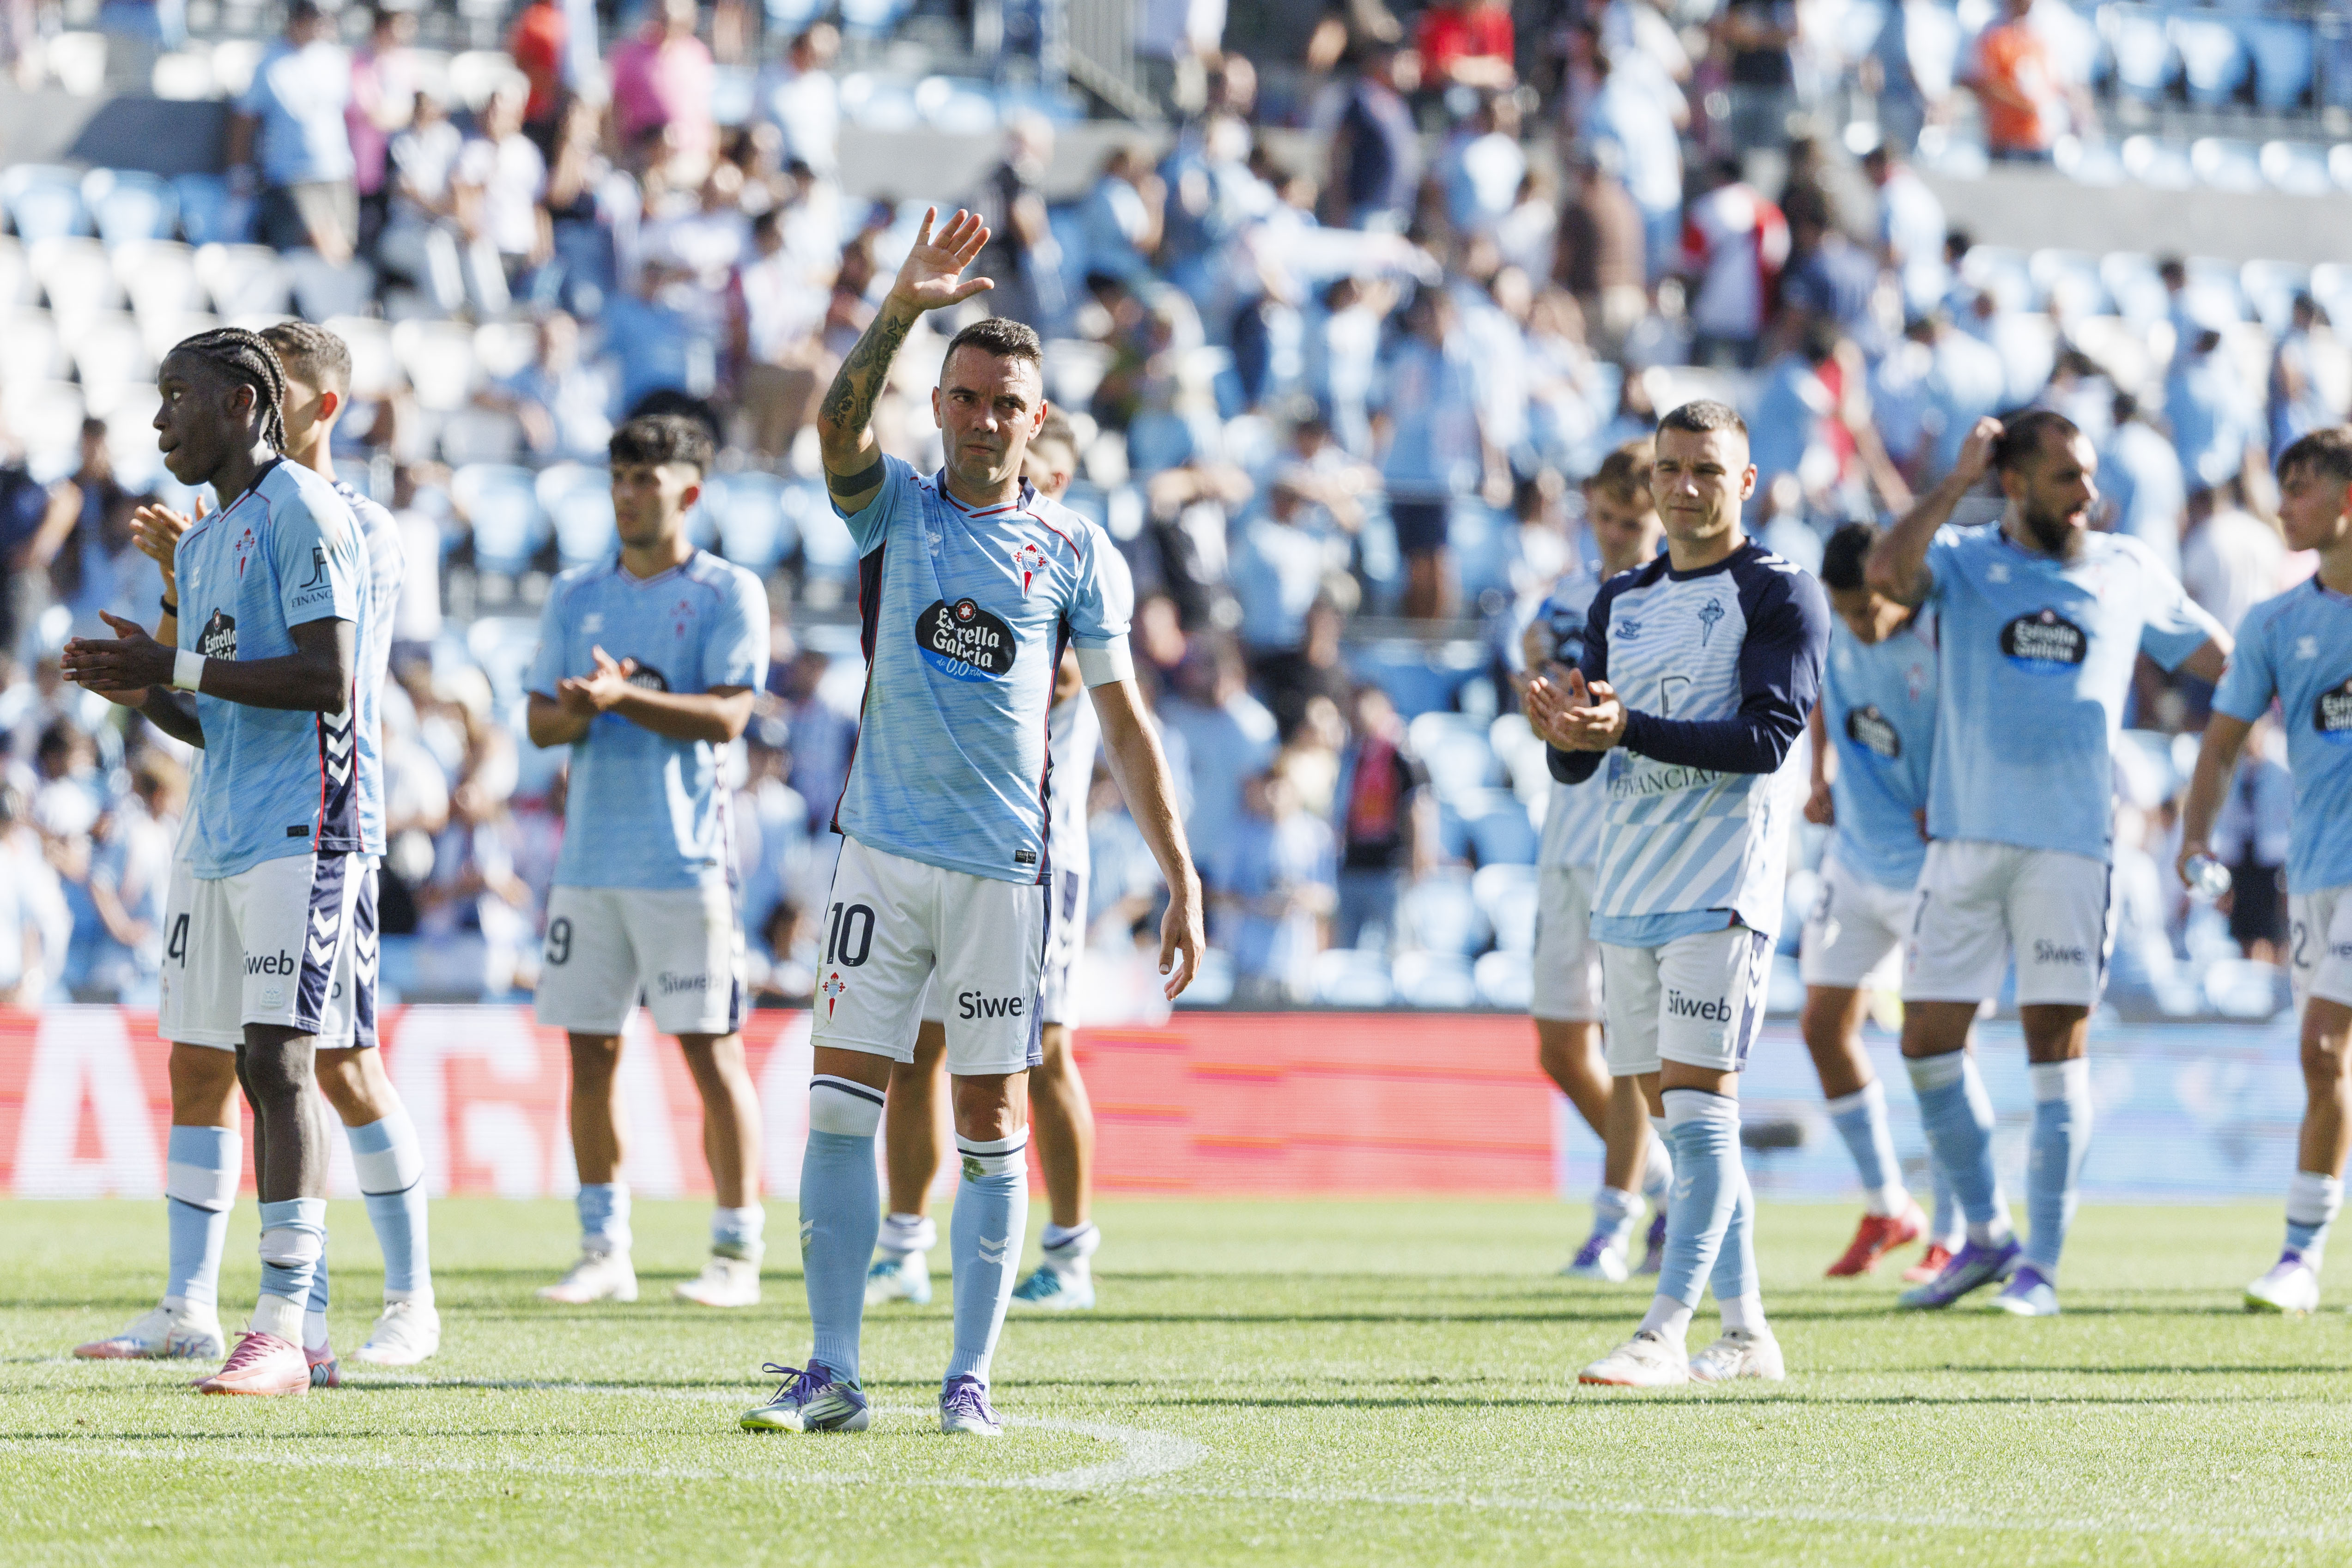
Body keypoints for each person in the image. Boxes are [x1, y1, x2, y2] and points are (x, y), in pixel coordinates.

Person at [737, 210, 1201, 1441]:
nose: (987, 415)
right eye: (969, 395)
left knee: (989, 1121)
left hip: (1006, 873)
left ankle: (968, 1377)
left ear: (1035, 422)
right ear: (937, 405)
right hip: (879, 854)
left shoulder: (1073, 551)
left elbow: (1127, 719)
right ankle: (832, 1369)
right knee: (843, 1107)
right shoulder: (891, 509)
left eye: (1008, 401)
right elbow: (830, 430)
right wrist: (897, 308)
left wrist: (1179, 872)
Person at [71, 322, 440, 1374]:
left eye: (176, 396)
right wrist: (143, 686)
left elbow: (328, 680)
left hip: (308, 822)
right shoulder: (204, 539)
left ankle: (288, 1326)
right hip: (222, 827)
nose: (157, 420)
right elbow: (211, 719)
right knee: (228, 1060)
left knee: (289, 1061)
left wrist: (173, 658)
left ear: (242, 404)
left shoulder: (311, 512)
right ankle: (231, 1313)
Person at [1866, 411, 2229, 1316]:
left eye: (2088, 475)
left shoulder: (2126, 566)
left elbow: (2225, 660)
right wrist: (1955, 478)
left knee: (2053, 1053)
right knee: (1923, 1040)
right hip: (1962, 838)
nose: (2086, 495)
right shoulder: (1957, 556)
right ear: (2017, 481)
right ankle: (1987, 1234)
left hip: (2071, 846)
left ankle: (2041, 1267)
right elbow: (1883, 575)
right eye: (2065, 477)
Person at [1530, 400, 1830, 1388]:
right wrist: (1566, 735)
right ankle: (1745, 1333)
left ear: (1745, 482)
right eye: (1669, 468)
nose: (1684, 486)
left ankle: (1662, 1330)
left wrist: (1626, 731)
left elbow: (1766, 738)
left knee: (1700, 1118)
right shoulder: (1619, 600)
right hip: (1628, 888)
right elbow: (1593, 764)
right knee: (1686, 1127)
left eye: (1706, 470)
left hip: (1721, 885)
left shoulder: (1776, 589)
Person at [862, 409, 1125, 1314]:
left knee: (1041, 1052)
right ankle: (901, 1243)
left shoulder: (1066, 566)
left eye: (1048, 480)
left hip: (1036, 851)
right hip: (942, 840)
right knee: (917, 1050)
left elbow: (1044, 672)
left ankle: (1069, 1249)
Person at [521, 415, 769, 1310]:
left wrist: (624, 694)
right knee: (589, 1058)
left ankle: (736, 1249)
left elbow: (730, 717)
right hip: (588, 860)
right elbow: (540, 723)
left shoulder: (724, 592)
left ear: (689, 491)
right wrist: (591, 705)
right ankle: (603, 1248)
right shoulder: (575, 594)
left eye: (646, 480)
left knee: (711, 1053)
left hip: (684, 859)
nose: (627, 494)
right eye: (619, 477)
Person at [2178, 428, 2352, 1316]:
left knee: (2324, 1051)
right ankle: (2302, 1255)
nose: (2282, 506)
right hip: (2317, 871)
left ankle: (2300, 1253)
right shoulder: (2276, 623)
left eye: (2298, 489)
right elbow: (2218, 746)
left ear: (2345, 502)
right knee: (2325, 1061)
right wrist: (2194, 837)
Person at [1523, 440, 1676, 1282]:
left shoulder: (1664, 601)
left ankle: (1609, 1225)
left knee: (1626, 1038)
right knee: (1557, 1044)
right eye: (1610, 518)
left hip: (1630, 834)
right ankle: (1666, 1182)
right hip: (1564, 832)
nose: (1620, 534)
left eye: (1634, 521)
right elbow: (1540, 708)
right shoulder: (1558, 603)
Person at [1800, 522, 1956, 1281]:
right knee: (1823, 1025)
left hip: (1931, 871)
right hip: (1855, 858)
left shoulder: (1939, 636)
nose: (1863, 624)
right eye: (1849, 611)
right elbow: (1827, 695)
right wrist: (1818, 776)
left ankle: (1956, 1232)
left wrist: (1954, 799)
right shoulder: (1836, 633)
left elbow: (1974, 728)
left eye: (1869, 608)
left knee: (1937, 1049)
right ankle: (1888, 1203)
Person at [229, 0, 358, 263]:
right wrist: (239, 171)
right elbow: (244, 121)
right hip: (291, 176)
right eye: (315, 17)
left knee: (343, 251)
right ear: (297, 19)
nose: (322, 24)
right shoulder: (270, 62)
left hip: (336, 171)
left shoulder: (334, 59)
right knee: (309, 250)